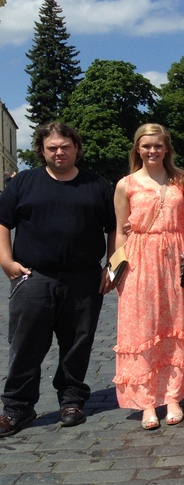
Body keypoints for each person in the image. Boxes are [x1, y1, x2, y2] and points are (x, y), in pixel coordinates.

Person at [0, 122, 116, 437]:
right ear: (42, 150)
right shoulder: (23, 182)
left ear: (76, 148)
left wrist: (112, 266)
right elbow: (2, 222)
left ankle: (72, 401)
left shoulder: (97, 185)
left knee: (78, 343)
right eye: (52, 148)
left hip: (84, 279)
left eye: (65, 146)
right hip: (33, 276)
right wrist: (6, 262)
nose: (59, 152)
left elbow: (114, 228)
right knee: (25, 346)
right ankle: (16, 408)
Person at [113, 124, 184, 429]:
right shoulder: (125, 184)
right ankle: (147, 402)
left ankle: (173, 395)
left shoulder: (181, 181)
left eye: (157, 146)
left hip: (175, 257)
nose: (152, 151)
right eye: (146, 146)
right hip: (140, 259)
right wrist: (117, 270)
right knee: (144, 326)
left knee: (176, 323)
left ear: (166, 148)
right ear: (137, 149)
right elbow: (118, 231)